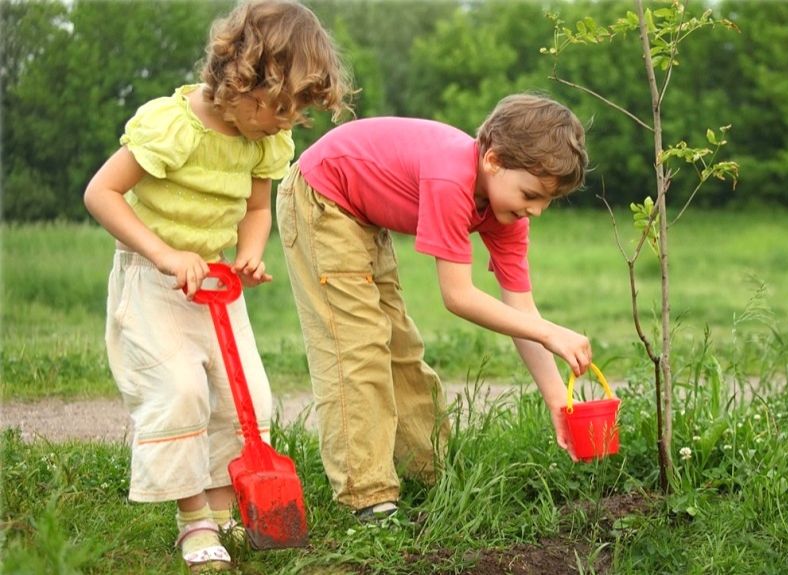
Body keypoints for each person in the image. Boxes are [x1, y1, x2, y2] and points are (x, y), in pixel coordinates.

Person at [82, 1, 349, 571]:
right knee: (180, 391)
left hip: (216, 283)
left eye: (298, 113)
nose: (286, 123)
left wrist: (249, 252)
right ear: (242, 79)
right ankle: (194, 519)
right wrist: (164, 254)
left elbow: (256, 207)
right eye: (281, 107)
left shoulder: (264, 140)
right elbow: (100, 193)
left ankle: (225, 510)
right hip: (153, 280)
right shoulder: (173, 126)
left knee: (244, 398)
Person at [276, 92, 593, 522]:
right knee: (358, 348)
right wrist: (551, 332)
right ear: (494, 161)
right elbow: (457, 296)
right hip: (322, 198)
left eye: (546, 201)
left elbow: (522, 312)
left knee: (400, 348)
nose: (535, 211)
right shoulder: (451, 178)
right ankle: (367, 497)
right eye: (531, 194)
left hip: (364, 216)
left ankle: (429, 474)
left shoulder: (508, 212)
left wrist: (558, 401)